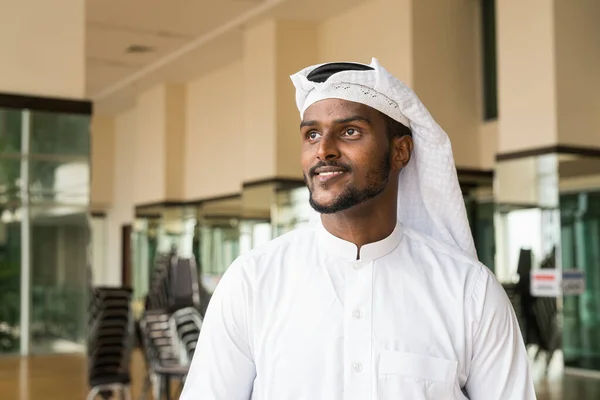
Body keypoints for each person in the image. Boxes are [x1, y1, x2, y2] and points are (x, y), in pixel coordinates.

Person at [180, 58, 536, 399]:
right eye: (312, 134)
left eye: (350, 131)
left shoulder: (468, 291)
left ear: (400, 151)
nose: (324, 150)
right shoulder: (252, 282)